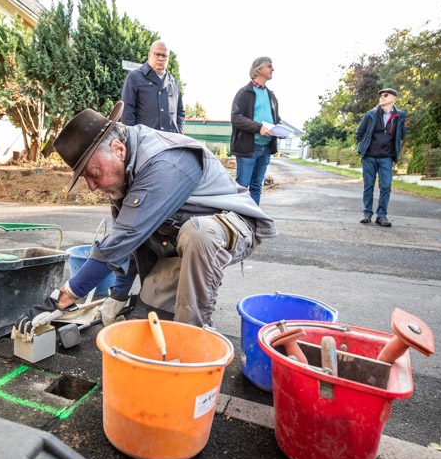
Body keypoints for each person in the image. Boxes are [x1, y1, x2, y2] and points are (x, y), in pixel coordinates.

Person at [15, 101, 276, 334]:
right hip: (178, 243)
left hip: (231, 227)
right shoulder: (122, 175)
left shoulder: (164, 161)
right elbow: (125, 243)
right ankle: (175, 321)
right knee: (145, 318)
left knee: (199, 234)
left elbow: (123, 239)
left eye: (92, 173)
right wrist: (118, 294)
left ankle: (195, 338)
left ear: (117, 149)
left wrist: (63, 297)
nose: (92, 186)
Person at [230, 57, 280, 205]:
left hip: (266, 148)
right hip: (248, 148)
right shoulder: (244, 93)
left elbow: (276, 119)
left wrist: (280, 130)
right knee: (242, 187)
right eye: (269, 66)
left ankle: (253, 221)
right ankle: (236, 219)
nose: (273, 69)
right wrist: (258, 128)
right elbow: (236, 117)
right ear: (258, 70)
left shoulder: (271, 96)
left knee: (257, 186)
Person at [355, 88, 406, 227]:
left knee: (386, 186)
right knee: (369, 185)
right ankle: (367, 213)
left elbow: (401, 135)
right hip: (369, 157)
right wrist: (362, 147)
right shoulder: (370, 114)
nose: (382, 97)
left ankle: (381, 216)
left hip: (386, 158)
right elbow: (359, 133)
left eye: (385, 95)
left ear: (394, 98)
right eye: (380, 96)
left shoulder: (400, 116)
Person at [120, 40, 185, 133]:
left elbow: (180, 112)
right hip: (145, 141)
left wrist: (179, 133)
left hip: (171, 142)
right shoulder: (134, 77)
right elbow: (127, 111)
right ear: (149, 55)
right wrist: (132, 138)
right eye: (157, 54)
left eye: (164, 56)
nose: (160, 58)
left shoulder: (174, 82)